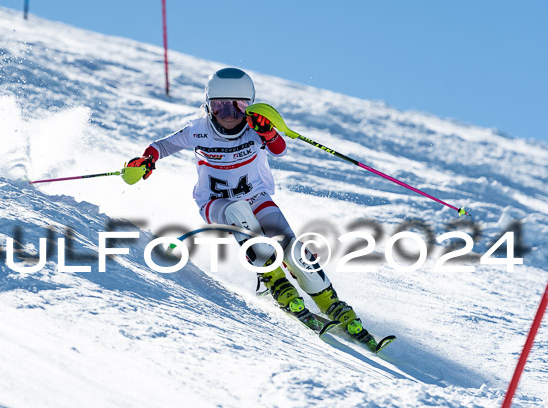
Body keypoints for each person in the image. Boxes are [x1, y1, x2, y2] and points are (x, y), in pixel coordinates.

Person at [126, 67, 376, 347]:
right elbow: (162, 146)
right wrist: (146, 160)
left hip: (257, 196)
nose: (229, 116)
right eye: (220, 107)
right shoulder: (198, 130)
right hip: (214, 203)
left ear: (250, 106)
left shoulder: (256, 128)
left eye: (238, 107)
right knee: (238, 214)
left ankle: (330, 302)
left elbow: (279, 148)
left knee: (292, 247)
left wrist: (268, 132)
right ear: (208, 106)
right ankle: (275, 282)